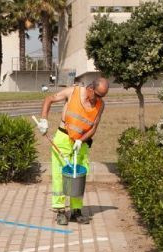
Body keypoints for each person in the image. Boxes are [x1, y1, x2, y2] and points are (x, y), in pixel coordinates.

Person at [35, 77, 109, 225]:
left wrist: (81, 140)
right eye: (98, 95)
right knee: (60, 174)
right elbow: (49, 99)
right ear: (90, 88)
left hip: (81, 143)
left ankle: (76, 211)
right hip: (63, 138)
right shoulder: (73, 92)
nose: (99, 99)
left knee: (78, 176)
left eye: (102, 96)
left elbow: (94, 127)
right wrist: (44, 120)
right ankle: (60, 211)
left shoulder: (100, 105)